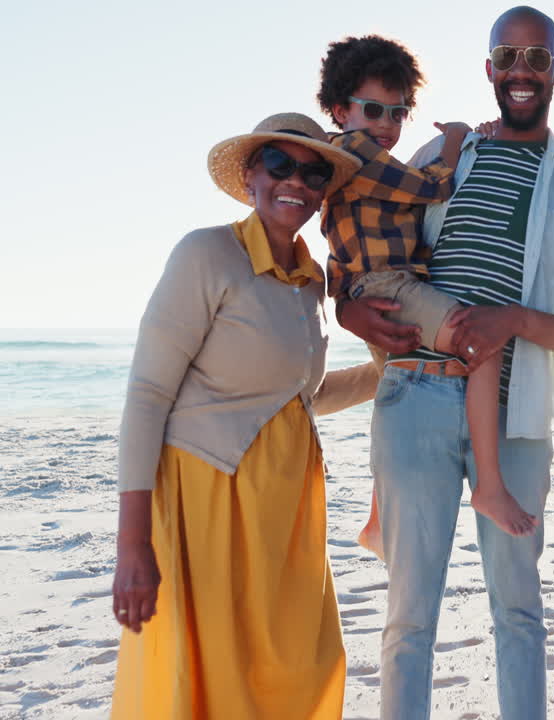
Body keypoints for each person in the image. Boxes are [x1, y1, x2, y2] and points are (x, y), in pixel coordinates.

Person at [336, 7, 554, 719]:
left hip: (520, 413)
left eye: (537, 58)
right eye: (508, 56)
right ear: (490, 70)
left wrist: (518, 322)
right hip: (415, 399)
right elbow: (368, 252)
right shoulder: (441, 159)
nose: (522, 70)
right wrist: (346, 308)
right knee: (409, 618)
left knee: (519, 613)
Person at [110, 113, 379, 719]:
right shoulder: (207, 253)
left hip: (284, 513)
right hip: (206, 503)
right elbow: (148, 393)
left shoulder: (312, 282)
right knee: (212, 677)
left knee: (299, 668)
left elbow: (292, 396)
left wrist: (389, 374)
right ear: (252, 175)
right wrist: (133, 543)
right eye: (280, 165)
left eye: (313, 172)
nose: (297, 182)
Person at [317, 35, 535, 543]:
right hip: (391, 286)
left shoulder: (347, 159)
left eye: (399, 113)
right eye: (374, 110)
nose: (388, 125)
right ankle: (489, 486)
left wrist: (343, 299)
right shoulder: (357, 151)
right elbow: (431, 186)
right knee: (482, 338)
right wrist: (458, 139)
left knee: (391, 385)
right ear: (339, 109)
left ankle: (376, 521)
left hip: (379, 287)